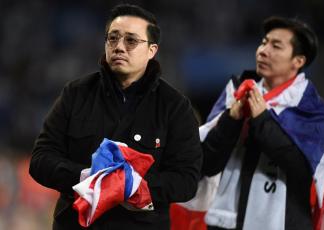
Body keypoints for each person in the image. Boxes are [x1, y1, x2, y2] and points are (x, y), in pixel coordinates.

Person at [29, 4, 202, 230]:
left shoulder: (175, 107)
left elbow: (187, 180)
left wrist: (133, 187)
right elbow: (40, 160)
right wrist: (89, 179)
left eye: (131, 40)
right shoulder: (76, 93)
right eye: (113, 38)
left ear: (152, 50)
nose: (119, 47)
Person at [200, 16, 324, 230]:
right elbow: (207, 163)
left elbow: (304, 174)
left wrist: (262, 121)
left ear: (298, 61)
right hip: (224, 222)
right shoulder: (234, 93)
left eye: (276, 46)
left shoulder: (313, 110)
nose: (263, 50)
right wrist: (231, 120)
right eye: (263, 42)